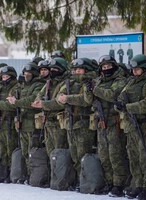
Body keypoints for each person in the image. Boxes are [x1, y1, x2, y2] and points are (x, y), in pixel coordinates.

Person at [114, 54, 146, 200]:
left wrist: (127, 107)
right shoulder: (131, 82)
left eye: (137, 69)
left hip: (145, 125)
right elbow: (121, 98)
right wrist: (120, 106)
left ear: (144, 68)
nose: (134, 72)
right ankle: (138, 185)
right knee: (133, 157)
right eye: (133, 69)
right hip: (131, 125)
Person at [86, 55, 128, 196]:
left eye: (109, 66)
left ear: (114, 66)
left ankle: (119, 184)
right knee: (104, 155)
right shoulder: (97, 81)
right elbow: (88, 100)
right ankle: (109, 182)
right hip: (100, 123)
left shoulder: (120, 80)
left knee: (115, 155)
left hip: (113, 121)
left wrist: (95, 89)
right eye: (104, 67)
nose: (106, 69)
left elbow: (112, 94)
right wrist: (88, 90)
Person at [55, 58, 97, 190]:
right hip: (70, 123)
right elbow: (59, 97)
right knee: (74, 154)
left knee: (83, 154)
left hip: (83, 122)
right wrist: (62, 98)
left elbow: (86, 100)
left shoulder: (90, 81)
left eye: (79, 69)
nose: (76, 72)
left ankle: (85, 181)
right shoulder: (70, 82)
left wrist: (68, 98)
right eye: (74, 70)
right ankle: (79, 180)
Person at [6, 62, 45, 183]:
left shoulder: (38, 85)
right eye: (25, 73)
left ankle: (34, 175)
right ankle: (29, 174)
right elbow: (11, 99)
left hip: (33, 124)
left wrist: (16, 102)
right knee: (24, 151)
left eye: (29, 73)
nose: (26, 75)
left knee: (32, 150)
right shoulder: (21, 86)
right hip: (22, 123)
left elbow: (32, 100)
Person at [32, 57, 70, 156]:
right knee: (50, 153)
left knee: (60, 153)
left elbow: (60, 102)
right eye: (51, 69)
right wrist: (39, 102)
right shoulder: (49, 83)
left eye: (55, 69)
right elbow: (38, 97)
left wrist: (43, 104)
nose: (52, 71)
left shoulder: (66, 83)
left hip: (59, 124)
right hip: (48, 122)